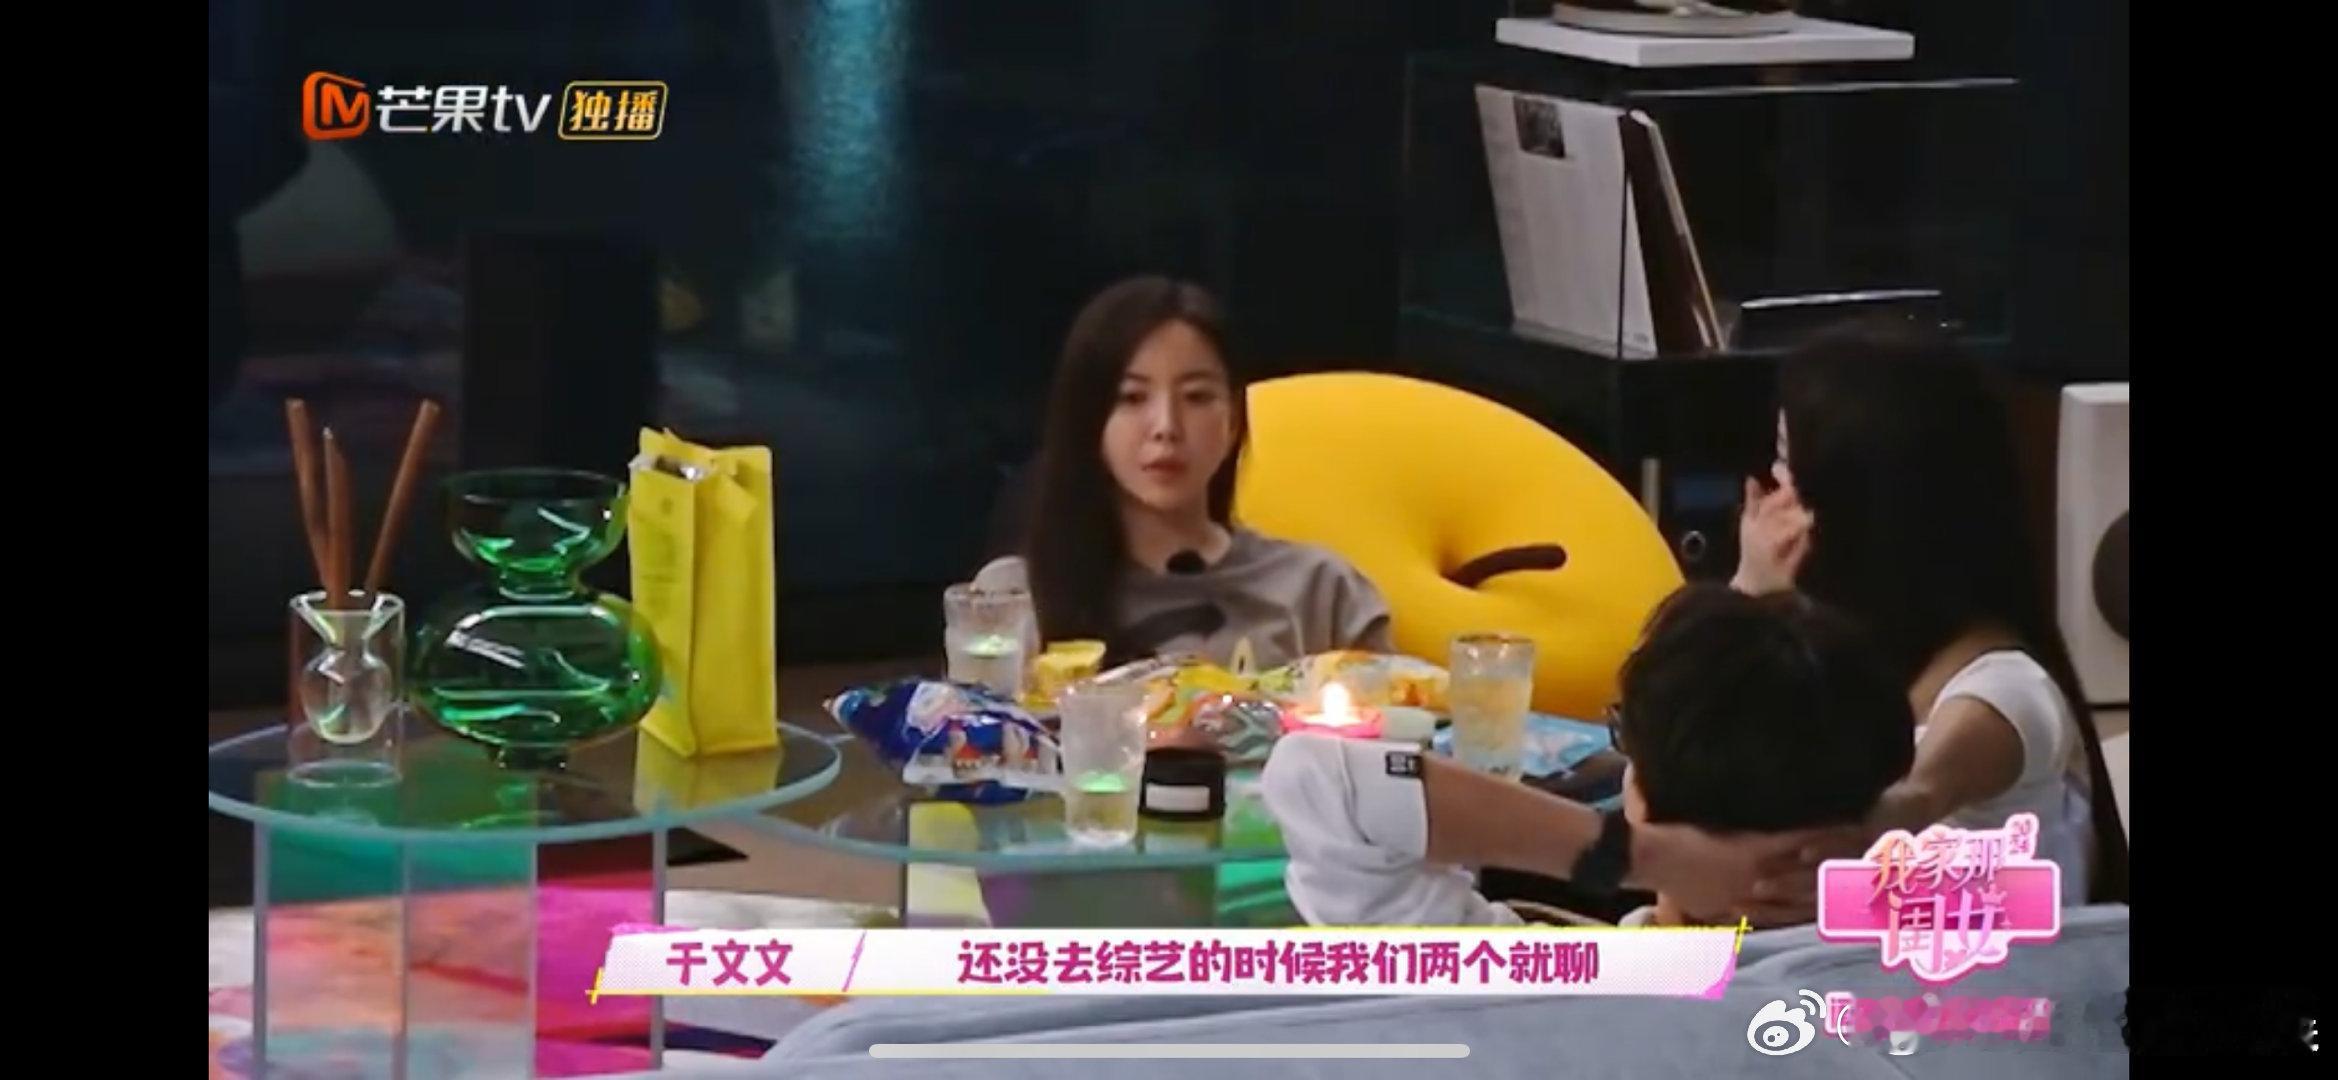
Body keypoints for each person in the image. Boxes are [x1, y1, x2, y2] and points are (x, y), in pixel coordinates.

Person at [1735, 318, 2130, 911]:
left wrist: (1754, 607)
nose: (1772, 490)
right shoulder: (1854, 664)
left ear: (1857, 498)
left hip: (1986, 970)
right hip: (1820, 961)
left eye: (1790, 462)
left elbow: (1914, 795)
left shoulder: (2006, 689)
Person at [1262, 584, 1908, 928]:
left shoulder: (1541, 987)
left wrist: (1646, 856)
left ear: (1639, 797)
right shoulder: (1925, 985)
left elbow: (1318, 778)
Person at [977, 275, 1393, 670]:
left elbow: (1402, 713)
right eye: (1132, 397)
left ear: (1233, 420)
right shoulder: (1012, 600)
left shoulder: (1320, 590)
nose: (1166, 427)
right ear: (1090, 420)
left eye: (1196, 397)